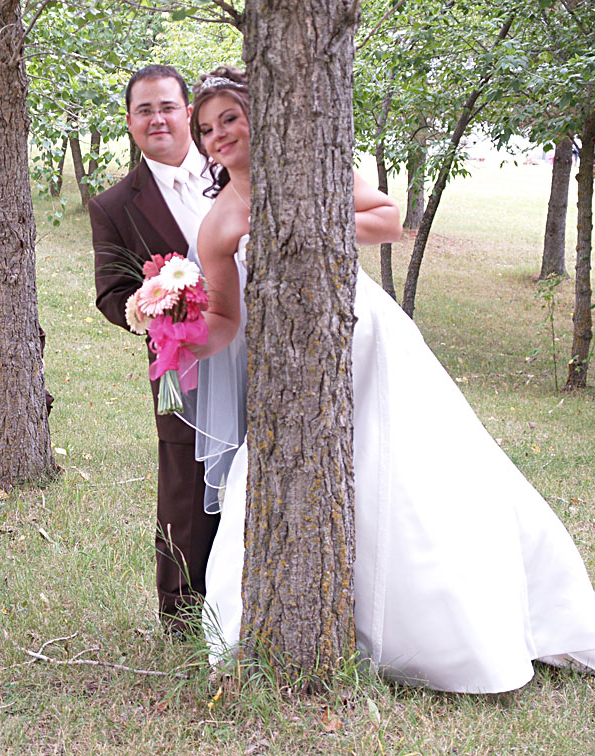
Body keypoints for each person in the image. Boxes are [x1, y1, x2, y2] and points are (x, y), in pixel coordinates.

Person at [190, 68, 595, 693]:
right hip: (285, 366)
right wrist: (170, 333)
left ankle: (466, 622)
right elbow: (223, 317)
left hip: (364, 334)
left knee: (411, 468)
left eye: (230, 119)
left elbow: (388, 218)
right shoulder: (216, 224)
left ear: (258, 117)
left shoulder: (312, 170)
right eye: (207, 128)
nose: (219, 135)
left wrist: (309, 229)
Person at [89, 64, 218, 634]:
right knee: (184, 480)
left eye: (167, 106)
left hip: (259, 350)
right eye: (144, 110)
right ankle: (183, 617)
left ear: (188, 111)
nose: (157, 118)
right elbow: (110, 293)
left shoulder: (234, 167)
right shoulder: (114, 205)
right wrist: (144, 310)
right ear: (129, 122)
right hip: (179, 363)